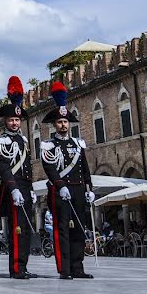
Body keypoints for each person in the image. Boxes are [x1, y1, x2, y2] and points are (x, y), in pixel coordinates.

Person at [41, 82, 95, 280]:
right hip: (60, 192)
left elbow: (85, 167)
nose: (63, 125)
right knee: (62, 230)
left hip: (79, 190)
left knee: (79, 229)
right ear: (54, 125)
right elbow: (50, 168)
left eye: (66, 122)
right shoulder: (48, 145)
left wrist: (89, 188)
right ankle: (64, 269)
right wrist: (61, 186)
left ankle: (77, 267)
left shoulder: (78, 143)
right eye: (60, 122)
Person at [0, 76, 37, 280]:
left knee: (26, 228)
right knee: (17, 229)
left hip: (25, 189)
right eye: (11, 120)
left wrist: (31, 190)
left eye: (17, 120)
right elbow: (2, 167)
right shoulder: (1, 141)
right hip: (12, 190)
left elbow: (27, 167)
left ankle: (24, 265)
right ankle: (16, 268)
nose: (14, 123)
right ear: (6, 121)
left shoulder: (24, 140)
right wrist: (14, 188)